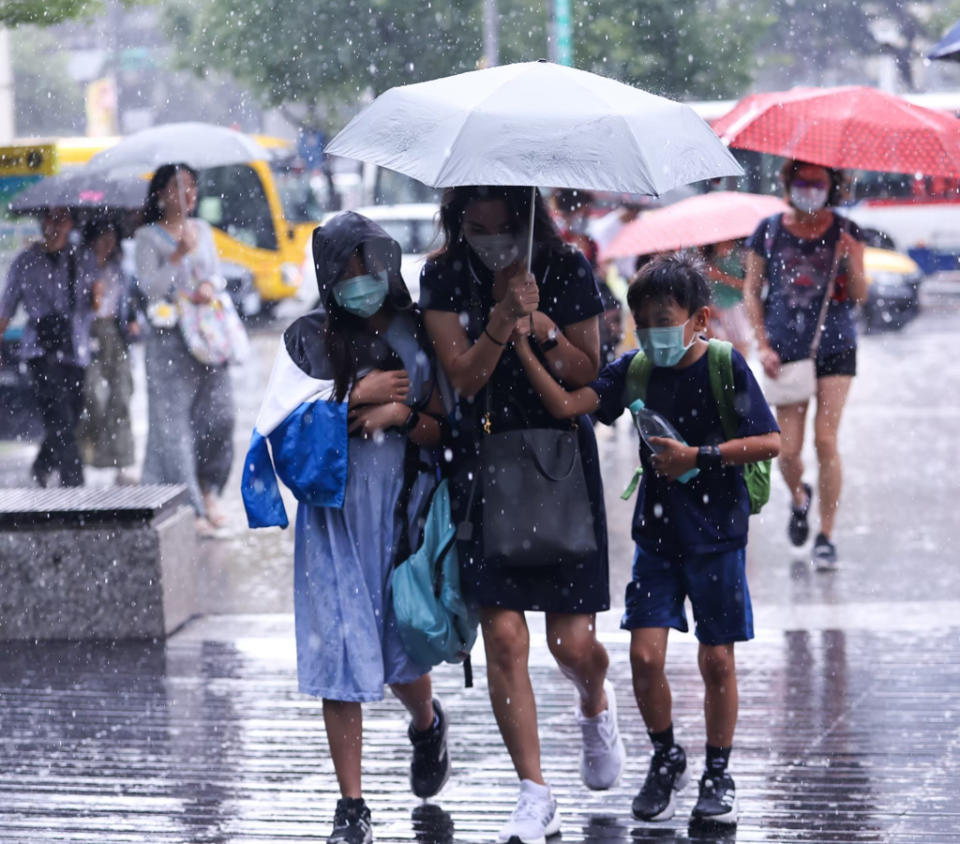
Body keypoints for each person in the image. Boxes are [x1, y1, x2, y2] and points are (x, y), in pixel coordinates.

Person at [511, 254, 780, 827]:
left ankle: (718, 770)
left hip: (717, 537)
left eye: (665, 317)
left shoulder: (725, 368)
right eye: (643, 320)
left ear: (700, 318)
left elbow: (769, 442)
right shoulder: (634, 372)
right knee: (643, 654)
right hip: (656, 538)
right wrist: (527, 345)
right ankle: (666, 756)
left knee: (717, 661)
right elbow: (567, 404)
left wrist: (699, 456)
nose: (653, 331)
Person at [420, 185, 624, 844]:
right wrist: (502, 317)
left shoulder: (563, 265)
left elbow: (588, 371)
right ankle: (534, 791)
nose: (484, 208)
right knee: (505, 639)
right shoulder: (444, 273)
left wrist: (542, 326)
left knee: (572, 644)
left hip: (557, 463)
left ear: (517, 199)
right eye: (471, 194)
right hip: (482, 467)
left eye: (495, 194)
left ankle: (594, 699)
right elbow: (465, 377)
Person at [241, 212, 451, 844]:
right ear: (327, 277)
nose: (361, 280)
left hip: (402, 510)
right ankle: (352, 805)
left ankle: (425, 723)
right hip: (332, 519)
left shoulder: (418, 330)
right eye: (347, 269)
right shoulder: (307, 341)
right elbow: (279, 427)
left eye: (370, 265)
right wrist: (356, 395)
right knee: (338, 649)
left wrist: (396, 410)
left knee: (401, 646)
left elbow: (447, 425)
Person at [743, 160, 867, 571]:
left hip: (835, 346)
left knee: (825, 441)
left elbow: (860, 294)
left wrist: (851, 257)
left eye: (818, 181)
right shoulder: (769, 230)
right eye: (802, 180)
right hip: (785, 347)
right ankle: (800, 498)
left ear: (831, 185)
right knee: (787, 450)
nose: (809, 188)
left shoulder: (847, 230)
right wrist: (762, 345)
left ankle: (826, 536)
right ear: (789, 182)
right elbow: (751, 292)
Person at [134, 163, 236, 532]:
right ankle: (190, 505)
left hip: (208, 335)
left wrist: (209, 285)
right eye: (178, 187)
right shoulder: (147, 237)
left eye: (192, 187)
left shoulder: (203, 231)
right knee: (173, 426)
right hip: (168, 342)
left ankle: (210, 488)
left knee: (221, 416)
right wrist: (177, 255)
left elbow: (213, 274)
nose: (187, 194)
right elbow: (151, 289)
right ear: (161, 194)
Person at [0, 207, 95, 487]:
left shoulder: (81, 258)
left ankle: (43, 464)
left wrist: (98, 298)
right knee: (59, 415)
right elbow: (7, 306)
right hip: (40, 349)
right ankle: (74, 483)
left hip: (75, 348)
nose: (55, 225)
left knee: (72, 414)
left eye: (62, 218)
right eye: (50, 218)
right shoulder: (25, 262)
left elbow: (95, 306)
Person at [77, 217, 138, 483]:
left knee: (121, 394)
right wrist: (90, 297)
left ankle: (123, 461)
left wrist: (133, 321)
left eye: (112, 237)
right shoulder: (80, 265)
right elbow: (75, 305)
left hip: (115, 332)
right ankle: (91, 456)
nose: (108, 243)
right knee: (93, 397)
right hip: (88, 334)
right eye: (103, 237)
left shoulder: (120, 267)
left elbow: (129, 301)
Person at [701, 239, 751, 359]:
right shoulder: (708, 252)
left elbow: (749, 285)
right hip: (714, 308)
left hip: (736, 306)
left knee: (740, 349)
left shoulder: (741, 253)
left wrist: (720, 276)